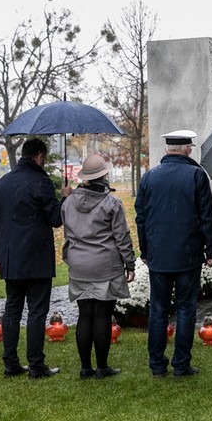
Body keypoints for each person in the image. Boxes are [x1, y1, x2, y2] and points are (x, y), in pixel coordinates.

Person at [135, 129, 212, 379]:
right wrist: (210, 250)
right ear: (187, 149)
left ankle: (157, 365)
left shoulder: (150, 177)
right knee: (185, 309)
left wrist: (145, 251)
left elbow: (141, 217)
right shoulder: (196, 175)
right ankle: (181, 364)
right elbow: (208, 218)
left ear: (168, 149)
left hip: (159, 255)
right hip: (188, 255)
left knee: (158, 310)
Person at [0, 138, 72, 380]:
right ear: (39, 156)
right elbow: (55, 218)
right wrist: (65, 198)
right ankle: (36, 365)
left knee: (12, 310)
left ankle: (10, 363)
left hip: (11, 257)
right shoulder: (41, 182)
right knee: (36, 311)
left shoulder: (2, 184)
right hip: (36, 258)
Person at [61, 153, 136, 380]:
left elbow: (67, 230)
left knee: (85, 314)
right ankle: (102, 367)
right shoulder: (111, 203)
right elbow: (121, 236)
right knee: (103, 314)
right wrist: (129, 262)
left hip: (79, 264)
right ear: (104, 176)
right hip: (105, 264)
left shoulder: (69, 202)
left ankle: (85, 368)